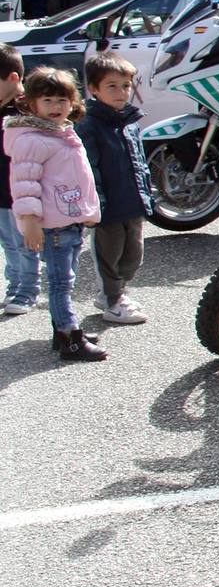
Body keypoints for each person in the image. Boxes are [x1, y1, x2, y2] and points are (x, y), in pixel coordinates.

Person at [3, 67, 105, 360]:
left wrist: (88, 212)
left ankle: (62, 330)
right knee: (61, 283)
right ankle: (69, 338)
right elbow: (24, 186)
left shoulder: (62, 133)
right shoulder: (33, 140)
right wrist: (30, 222)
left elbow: (79, 178)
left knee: (66, 279)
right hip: (53, 225)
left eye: (62, 100)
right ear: (31, 104)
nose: (56, 107)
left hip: (69, 220)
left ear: (73, 103)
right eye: (47, 100)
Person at [77, 53, 152, 325]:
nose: (121, 92)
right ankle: (112, 300)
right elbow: (90, 168)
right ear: (94, 89)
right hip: (107, 207)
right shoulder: (89, 125)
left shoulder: (129, 121)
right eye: (112, 86)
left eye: (126, 85)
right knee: (109, 254)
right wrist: (95, 203)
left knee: (133, 254)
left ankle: (116, 292)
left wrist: (147, 191)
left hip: (132, 202)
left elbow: (139, 161)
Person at [0, 44, 41, 316]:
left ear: (13, 80)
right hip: (2, 193)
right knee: (8, 242)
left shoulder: (26, 113)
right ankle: (15, 285)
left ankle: (28, 290)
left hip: (21, 193)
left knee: (25, 243)